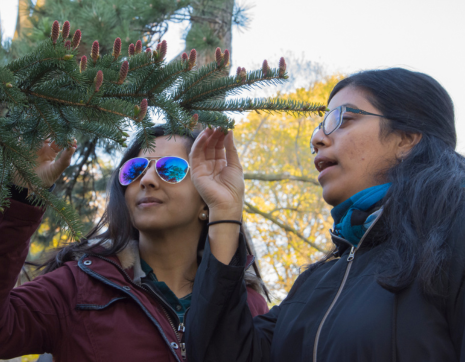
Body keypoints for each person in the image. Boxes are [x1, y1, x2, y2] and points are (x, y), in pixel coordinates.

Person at [185, 68, 465, 362]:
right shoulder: (316, 283)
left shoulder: (453, 237)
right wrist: (226, 213)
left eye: (342, 119)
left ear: (406, 138)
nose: (318, 137)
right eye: (320, 126)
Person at [0, 125, 269, 361]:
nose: (148, 180)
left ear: (206, 199)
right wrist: (21, 202)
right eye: (135, 170)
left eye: (171, 169)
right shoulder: (77, 286)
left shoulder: (248, 304)